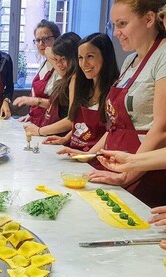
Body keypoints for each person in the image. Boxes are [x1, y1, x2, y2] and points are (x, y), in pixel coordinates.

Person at [58, 0, 166, 207]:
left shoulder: (163, 56)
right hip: (118, 164)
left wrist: (129, 172)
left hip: (144, 172)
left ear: (149, 19)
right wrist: (92, 153)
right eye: (114, 25)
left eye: (122, 24)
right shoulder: (130, 61)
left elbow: (160, 130)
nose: (116, 32)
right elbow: (116, 124)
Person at [44, 33, 119, 156]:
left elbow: (113, 131)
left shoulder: (114, 91)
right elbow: (82, 125)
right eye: (80, 58)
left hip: (98, 159)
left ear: (105, 57)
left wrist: (89, 154)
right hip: (77, 152)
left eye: (90, 56)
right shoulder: (82, 86)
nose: (84, 64)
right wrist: (66, 138)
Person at [23, 32, 81, 137]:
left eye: (63, 59)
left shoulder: (75, 78)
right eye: (56, 59)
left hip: (63, 134)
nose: (59, 64)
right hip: (59, 134)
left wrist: (40, 131)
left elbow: (71, 120)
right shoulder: (67, 75)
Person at [13, 19, 61, 126]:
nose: (41, 44)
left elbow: (58, 106)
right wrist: (30, 114)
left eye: (46, 39)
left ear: (57, 39)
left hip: (50, 126)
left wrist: (29, 100)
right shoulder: (44, 64)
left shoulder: (60, 68)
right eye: (38, 40)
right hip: (37, 121)